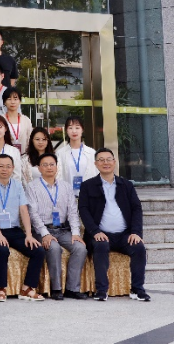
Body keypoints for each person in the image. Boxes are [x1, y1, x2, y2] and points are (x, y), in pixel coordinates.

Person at [79, 148, 150, 302]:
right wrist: (95, 231)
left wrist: (136, 232)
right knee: (100, 245)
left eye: (108, 159)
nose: (105, 163)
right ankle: (101, 290)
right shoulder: (87, 186)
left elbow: (136, 208)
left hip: (125, 234)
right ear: (96, 164)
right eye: (101, 160)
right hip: (101, 234)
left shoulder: (126, 185)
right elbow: (83, 210)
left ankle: (137, 289)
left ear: (114, 162)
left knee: (139, 248)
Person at [0, 154, 46, 302]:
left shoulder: (17, 185)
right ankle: (1, 288)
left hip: (14, 230)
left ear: (13, 168)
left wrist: (29, 234)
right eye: (1, 166)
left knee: (38, 250)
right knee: (2, 249)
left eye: (8, 166)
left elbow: (23, 210)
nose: (5, 169)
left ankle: (27, 288)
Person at [27, 153, 87, 301]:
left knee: (80, 248)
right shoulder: (32, 187)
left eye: (52, 164)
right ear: (39, 168)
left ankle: (72, 288)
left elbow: (72, 212)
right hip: (42, 230)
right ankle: (56, 288)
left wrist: (75, 233)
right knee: (53, 248)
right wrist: (45, 234)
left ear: (56, 167)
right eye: (45, 165)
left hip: (63, 230)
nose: (49, 167)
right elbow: (32, 214)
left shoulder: (66, 186)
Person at [57, 116, 98, 195]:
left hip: (89, 196)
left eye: (77, 127)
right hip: (68, 196)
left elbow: (96, 175)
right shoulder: (60, 153)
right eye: (70, 128)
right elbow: (58, 177)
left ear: (82, 130)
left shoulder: (91, 153)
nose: (74, 131)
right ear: (66, 130)